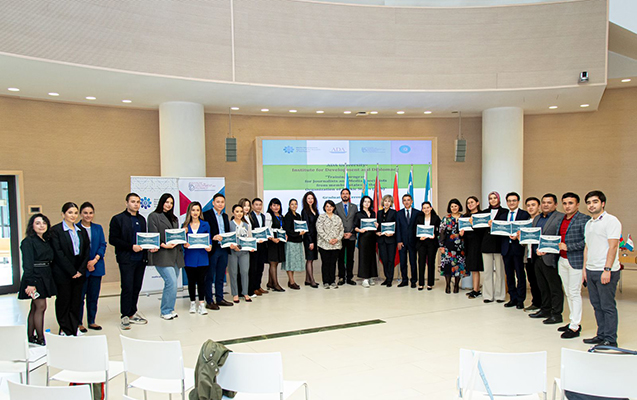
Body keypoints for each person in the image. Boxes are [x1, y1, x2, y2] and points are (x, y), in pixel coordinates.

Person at [583, 191, 621, 347]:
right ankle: (601, 335)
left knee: (607, 306)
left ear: (602, 203)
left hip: (605, 270)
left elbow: (613, 247)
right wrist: (585, 269)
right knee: (597, 305)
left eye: (595, 202)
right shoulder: (589, 223)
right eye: (589, 202)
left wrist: (607, 269)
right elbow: (587, 247)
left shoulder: (611, 221)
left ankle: (610, 339)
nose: (591, 205)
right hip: (591, 269)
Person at [109, 193, 153, 330]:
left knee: (136, 287)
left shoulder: (142, 219)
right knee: (127, 287)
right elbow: (113, 239)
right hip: (126, 259)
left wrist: (149, 246)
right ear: (126, 203)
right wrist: (130, 247)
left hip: (141, 259)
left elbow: (145, 238)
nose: (136, 204)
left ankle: (132, 312)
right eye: (133, 201)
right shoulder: (118, 219)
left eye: (138, 202)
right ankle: (125, 315)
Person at [50, 202, 90, 336]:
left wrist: (80, 270)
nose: (73, 215)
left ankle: (73, 328)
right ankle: (64, 328)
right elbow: (58, 253)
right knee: (64, 301)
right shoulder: (56, 231)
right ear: (63, 214)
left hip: (79, 271)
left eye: (75, 213)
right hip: (63, 272)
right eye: (70, 212)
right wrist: (72, 271)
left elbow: (86, 251)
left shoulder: (81, 231)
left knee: (76, 301)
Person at [556, 192, 590, 339]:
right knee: (568, 292)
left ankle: (575, 326)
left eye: (570, 203)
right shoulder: (561, 219)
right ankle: (572, 320)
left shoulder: (584, 219)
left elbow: (587, 241)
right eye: (565, 203)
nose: (567, 206)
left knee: (574, 292)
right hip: (562, 260)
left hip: (576, 261)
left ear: (577, 204)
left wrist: (568, 247)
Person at [18, 214, 55, 345]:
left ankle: (30, 336)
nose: (41, 226)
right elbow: (27, 264)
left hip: (44, 275)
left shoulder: (46, 240)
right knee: (41, 306)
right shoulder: (28, 242)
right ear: (32, 226)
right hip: (34, 277)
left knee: (35, 307)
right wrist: (30, 283)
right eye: (38, 223)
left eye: (44, 223)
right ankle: (40, 338)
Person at [529, 193, 565, 325]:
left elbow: (561, 237)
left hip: (551, 257)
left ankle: (556, 314)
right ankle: (545, 310)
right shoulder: (537, 218)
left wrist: (548, 249)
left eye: (549, 203)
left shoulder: (560, 217)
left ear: (555, 204)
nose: (545, 205)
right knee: (542, 286)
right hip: (537, 257)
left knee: (554, 287)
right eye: (544, 202)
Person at [148, 193, 184, 320]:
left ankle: (170, 308)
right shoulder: (153, 216)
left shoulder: (174, 218)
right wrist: (164, 245)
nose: (169, 205)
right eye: (167, 202)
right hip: (163, 254)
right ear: (161, 202)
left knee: (172, 284)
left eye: (171, 203)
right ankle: (165, 310)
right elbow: (153, 235)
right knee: (171, 282)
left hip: (175, 255)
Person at [496, 192, 530, 309]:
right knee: (509, 275)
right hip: (506, 249)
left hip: (518, 248)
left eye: (514, 200)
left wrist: (518, 236)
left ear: (518, 202)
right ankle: (513, 298)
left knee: (520, 275)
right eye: (509, 201)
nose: (511, 203)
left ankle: (520, 300)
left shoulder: (524, 215)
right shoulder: (502, 216)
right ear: (506, 202)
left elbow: (527, 230)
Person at [77, 202, 107, 332]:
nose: (88, 215)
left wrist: (94, 260)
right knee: (79, 297)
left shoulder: (98, 228)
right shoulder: (75, 228)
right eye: (85, 213)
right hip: (81, 268)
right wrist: (87, 264)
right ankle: (78, 322)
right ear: (80, 214)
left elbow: (102, 244)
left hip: (96, 266)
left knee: (93, 297)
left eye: (90, 213)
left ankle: (92, 321)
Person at [202, 193, 233, 309]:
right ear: (213, 203)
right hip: (213, 249)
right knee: (209, 276)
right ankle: (209, 301)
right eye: (218, 202)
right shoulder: (207, 215)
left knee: (220, 275)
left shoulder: (225, 216)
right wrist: (212, 238)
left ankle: (220, 298)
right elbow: (203, 232)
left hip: (224, 248)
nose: (220, 204)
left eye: (222, 202)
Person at [182, 201, 212, 315]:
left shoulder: (206, 224)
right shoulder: (184, 226)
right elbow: (180, 240)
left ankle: (201, 304)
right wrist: (184, 243)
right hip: (190, 257)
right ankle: (192, 303)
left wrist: (209, 246)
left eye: (197, 210)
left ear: (200, 212)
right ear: (189, 211)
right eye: (193, 210)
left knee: (201, 281)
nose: (195, 212)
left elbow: (209, 239)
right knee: (191, 281)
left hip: (202, 257)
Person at [480, 191, 506, 303]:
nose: (493, 200)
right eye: (490, 198)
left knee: (500, 272)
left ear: (498, 199)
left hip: (500, 244)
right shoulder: (484, 213)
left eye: (495, 198)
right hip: (487, 244)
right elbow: (479, 229)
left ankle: (500, 295)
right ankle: (488, 295)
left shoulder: (505, 212)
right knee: (487, 272)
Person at [227, 204, 255, 303]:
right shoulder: (229, 224)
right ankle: (235, 294)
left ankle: (245, 293)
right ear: (233, 213)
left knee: (245, 272)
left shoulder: (246, 225)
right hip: (232, 252)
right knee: (233, 272)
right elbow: (227, 238)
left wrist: (251, 246)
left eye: (241, 212)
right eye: (237, 211)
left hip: (244, 252)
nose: (239, 214)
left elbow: (249, 238)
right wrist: (231, 245)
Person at [438, 199, 466, 294]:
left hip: (460, 247)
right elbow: (441, 233)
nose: (454, 208)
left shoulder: (464, 218)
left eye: (455, 206)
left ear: (459, 207)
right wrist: (441, 246)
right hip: (448, 246)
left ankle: (457, 285)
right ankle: (447, 285)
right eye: (452, 206)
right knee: (447, 266)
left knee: (459, 266)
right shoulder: (446, 218)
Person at [316, 200, 344, 288]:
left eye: (331, 206)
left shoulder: (337, 218)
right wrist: (329, 239)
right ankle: (326, 282)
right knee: (325, 263)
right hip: (324, 245)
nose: (329, 208)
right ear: (324, 207)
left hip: (336, 245)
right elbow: (319, 230)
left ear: (334, 207)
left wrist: (337, 239)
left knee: (333, 263)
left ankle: (332, 281)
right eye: (327, 206)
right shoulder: (321, 217)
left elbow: (341, 230)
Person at [460, 196, 484, 298]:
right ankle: (475, 289)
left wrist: (473, 223)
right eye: (468, 203)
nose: (470, 204)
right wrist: (461, 234)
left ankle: (476, 290)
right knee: (472, 267)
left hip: (477, 244)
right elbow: (463, 231)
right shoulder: (465, 216)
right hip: (468, 244)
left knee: (475, 267)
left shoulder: (481, 215)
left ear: (477, 203)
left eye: (472, 202)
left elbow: (482, 231)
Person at [415, 201, 440, 291]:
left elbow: (440, 230)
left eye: (428, 207)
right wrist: (419, 237)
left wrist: (435, 235)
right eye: (424, 208)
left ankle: (430, 283)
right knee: (421, 263)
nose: (426, 209)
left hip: (432, 243)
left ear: (431, 208)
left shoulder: (436, 218)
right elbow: (415, 230)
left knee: (431, 263)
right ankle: (421, 283)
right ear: (422, 209)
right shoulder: (419, 218)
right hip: (421, 243)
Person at [523, 197, 542, 312]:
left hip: (540, 256)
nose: (530, 207)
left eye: (533, 205)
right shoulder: (525, 222)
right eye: (528, 205)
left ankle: (545, 305)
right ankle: (536, 302)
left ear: (538, 206)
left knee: (541, 281)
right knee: (532, 281)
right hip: (528, 255)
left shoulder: (542, 220)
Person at [396, 194, 420, 288]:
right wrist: (399, 241)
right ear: (402, 202)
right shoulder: (399, 213)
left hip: (413, 242)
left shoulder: (417, 213)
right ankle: (404, 280)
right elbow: (398, 228)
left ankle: (413, 281)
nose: (406, 202)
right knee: (403, 262)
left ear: (412, 201)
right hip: (402, 242)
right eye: (405, 200)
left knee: (413, 262)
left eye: (408, 200)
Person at [354, 195, 378, 288]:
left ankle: (371, 276)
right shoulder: (358, 214)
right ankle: (365, 279)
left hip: (372, 238)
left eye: (369, 202)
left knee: (372, 257)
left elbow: (375, 226)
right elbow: (355, 227)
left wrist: (377, 225)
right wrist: (359, 230)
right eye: (365, 201)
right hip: (363, 238)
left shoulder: (373, 213)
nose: (367, 203)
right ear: (362, 203)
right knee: (364, 258)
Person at [335, 188, 357, 285]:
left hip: (351, 236)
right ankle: (341, 277)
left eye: (346, 193)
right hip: (340, 237)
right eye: (343, 193)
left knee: (350, 258)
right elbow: (335, 222)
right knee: (340, 258)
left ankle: (349, 277)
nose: (345, 195)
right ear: (341, 195)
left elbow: (355, 221)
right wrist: (342, 233)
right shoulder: (336, 206)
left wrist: (351, 232)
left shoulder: (354, 207)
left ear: (349, 195)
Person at [282, 199, 306, 289]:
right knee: (290, 262)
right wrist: (298, 233)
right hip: (291, 242)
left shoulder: (298, 215)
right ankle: (292, 282)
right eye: (292, 204)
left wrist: (302, 232)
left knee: (294, 262)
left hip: (298, 241)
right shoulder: (288, 216)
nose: (294, 206)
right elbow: (288, 230)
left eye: (295, 204)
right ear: (289, 205)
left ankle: (291, 280)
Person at [249, 197, 269, 296]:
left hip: (263, 245)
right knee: (254, 267)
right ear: (252, 206)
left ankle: (258, 286)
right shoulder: (250, 216)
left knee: (261, 267)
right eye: (256, 205)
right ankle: (253, 288)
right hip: (254, 245)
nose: (258, 206)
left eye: (260, 205)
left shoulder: (263, 216)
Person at [376, 195, 397, 287]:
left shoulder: (394, 212)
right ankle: (386, 277)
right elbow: (378, 226)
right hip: (382, 240)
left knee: (390, 260)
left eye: (389, 201)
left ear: (391, 203)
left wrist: (393, 233)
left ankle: (390, 279)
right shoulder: (379, 213)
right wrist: (377, 232)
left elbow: (396, 226)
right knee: (384, 260)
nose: (387, 203)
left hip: (391, 240)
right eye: (385, 201)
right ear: (383, 202)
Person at [266, 198, 286, 292]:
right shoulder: (269, 215)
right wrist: (272, 238)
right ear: (270, 206)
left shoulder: (281, 216)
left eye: (278, 205)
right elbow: (267, 228)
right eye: (274, 205)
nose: (276, 207)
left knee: (276, 262)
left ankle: (270, 283)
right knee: (273, 262)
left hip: (279, 240)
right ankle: (275, 284)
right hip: (272, 240)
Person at [301, 191, 319, 288]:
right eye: (308, 198)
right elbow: (306, 227)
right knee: (309, 259)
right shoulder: (305, 211)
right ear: (305, 200)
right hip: (309, 238)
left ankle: (307, 280)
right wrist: (310, 241)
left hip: (315, 237)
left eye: (312, 198)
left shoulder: (315, 210)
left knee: (311, 259)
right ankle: (312, 280)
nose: (310, 200)